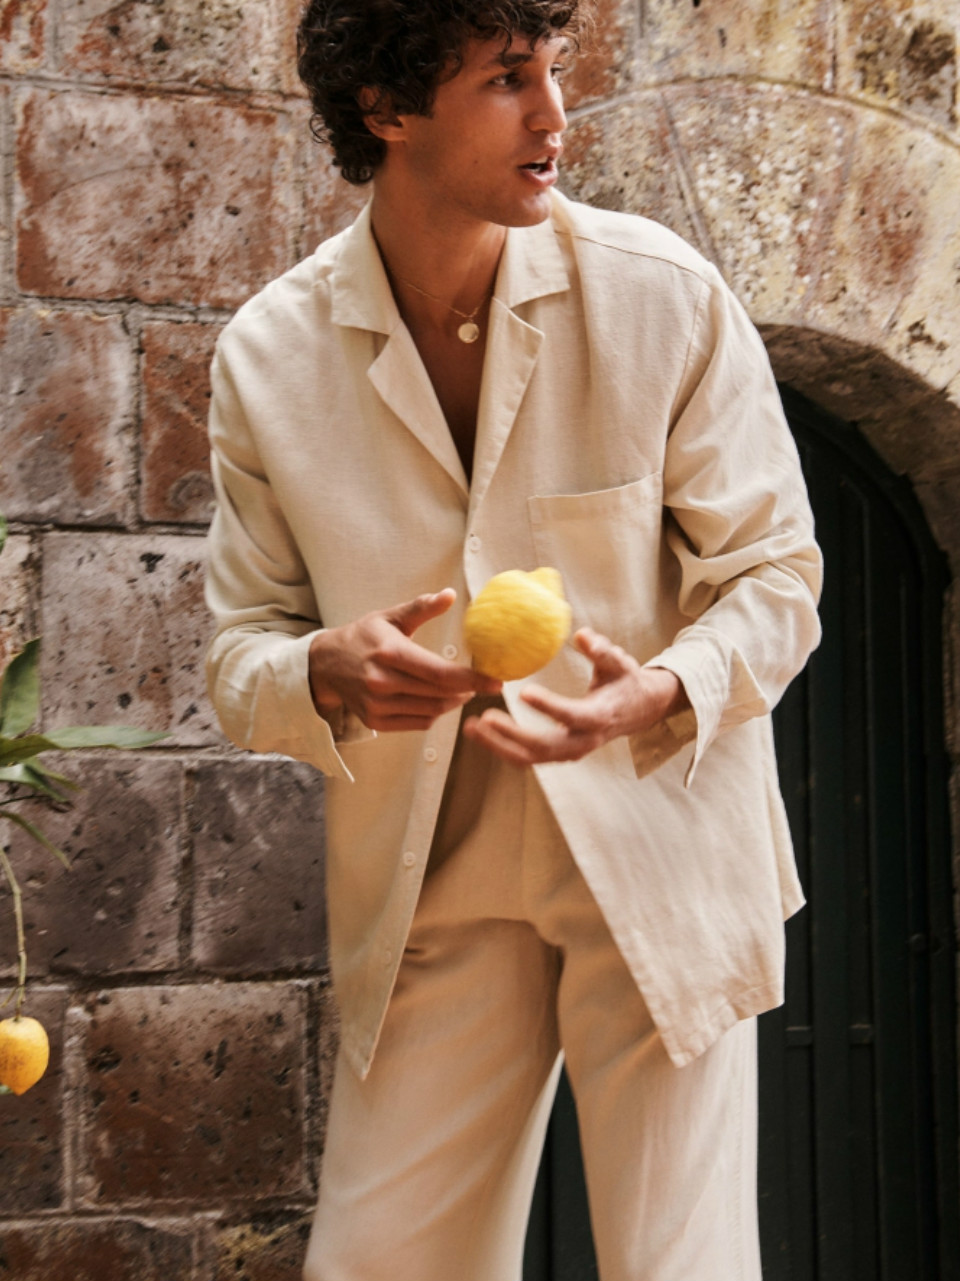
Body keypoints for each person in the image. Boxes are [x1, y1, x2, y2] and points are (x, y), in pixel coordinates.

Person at [204, 1, 823, 1277]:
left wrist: (659, 690)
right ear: (386, 107)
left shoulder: (662, 296)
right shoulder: (269, 356)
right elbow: (239, 651)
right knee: (376, 1263)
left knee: (681, 1267)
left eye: (554, 72)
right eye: (506, 80)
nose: (554, 116)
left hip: (663, 850)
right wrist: (321, 670)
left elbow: (777, 576)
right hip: (432, 877)